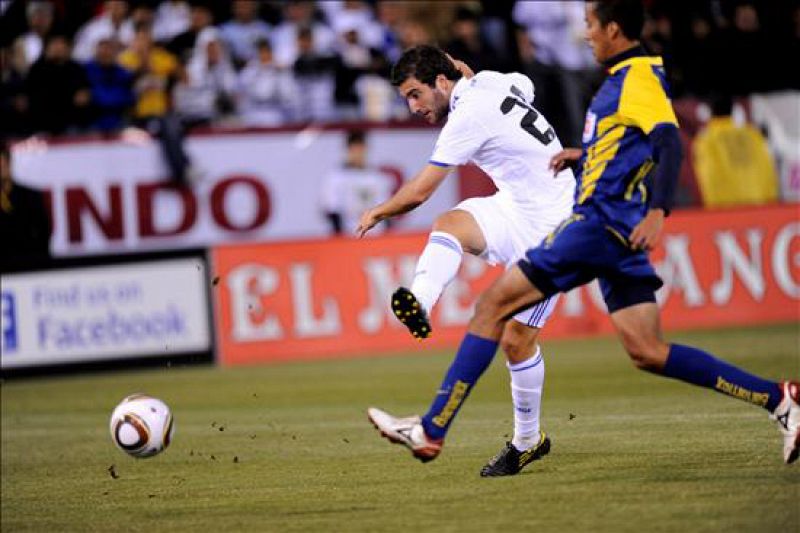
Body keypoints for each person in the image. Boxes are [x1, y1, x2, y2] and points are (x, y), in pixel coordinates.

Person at [365, 0, 799, 469]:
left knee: (491, 309)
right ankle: (782, 399)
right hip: (594, 221)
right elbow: (545, 100)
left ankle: (430, 431)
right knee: (647, 351)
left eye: (591, 26)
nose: (586, 35)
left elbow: (668, 140)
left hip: (583, 226)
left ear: (615, 29)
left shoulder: (634, 80)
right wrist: (581, 154)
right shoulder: (608, 81)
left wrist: (659, 209)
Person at [357, 45, 576, 476]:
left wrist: (378, 211)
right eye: (406, 98)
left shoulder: (467, 115)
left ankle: (527, 440)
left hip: (555, 228)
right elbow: (524, 86)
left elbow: (420, 190)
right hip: (517, 207)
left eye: (416, 94)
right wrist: (468, 73)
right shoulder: (493, 83)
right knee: (452, 223)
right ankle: (419, 301)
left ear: (442, 82)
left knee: (516, 341)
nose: (413, 106)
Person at [322, 130, 394, 236]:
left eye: (361, 149)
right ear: (348, 150)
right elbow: (333, 211)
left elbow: (386, 211)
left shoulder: (377, 178)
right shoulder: (335, 178)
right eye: (354, 150)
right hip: (351, 235)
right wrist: (340, 239)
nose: (358, 154)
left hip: (377, 236)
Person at [0, 141, 52, 269]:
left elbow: (44, 233)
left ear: (9, 163)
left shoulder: (31, 197)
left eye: (3, 163)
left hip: (27, 265)